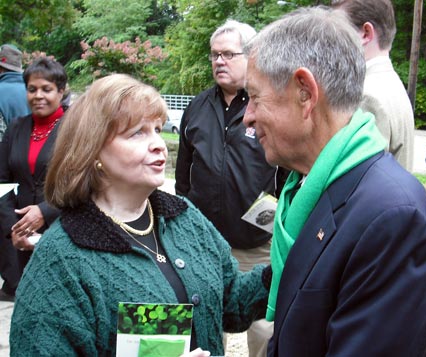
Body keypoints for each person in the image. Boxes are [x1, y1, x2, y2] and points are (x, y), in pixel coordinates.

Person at [9, 74, 270, 356]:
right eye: (137, 133)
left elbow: (233, 303)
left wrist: (291, 261)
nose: (159, 143)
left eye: (157, 129)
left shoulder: (183, 218)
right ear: (92, 149)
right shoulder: (62, 257)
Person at [243, 6, 426, 356]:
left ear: (305, 93)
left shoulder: (391, 220)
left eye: (254, 97)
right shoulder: (314, 190)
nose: (247, 117)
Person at [175, 19, 284, 357]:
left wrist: (266, 220)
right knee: (203, 324)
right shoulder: (197, 108)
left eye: (227, 54)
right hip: (204, 244)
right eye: (214, 55)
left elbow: (286, 173)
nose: (218, 61)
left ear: (250, 56)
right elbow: (181, 176)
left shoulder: (267, 105)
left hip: (257, 246)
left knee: (265, 331)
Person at [0, 57, 68, 290]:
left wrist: (45, 211)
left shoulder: (75, 128)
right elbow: (2, 182)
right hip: (21, 241)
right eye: (32, 89)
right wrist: (15, 230)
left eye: (46, 89)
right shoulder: (16, 127)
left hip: (64, 233)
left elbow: (86, 181)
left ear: (61, 91)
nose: (38, 95)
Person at [331, 0, 415, 171]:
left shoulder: (368, 96)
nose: (333, 41)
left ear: (365, 33)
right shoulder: (391, 84)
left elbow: (355, 179)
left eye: (340, 31)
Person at [0, 44, 30, 301]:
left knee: (6, 217)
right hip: (32, 162)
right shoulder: (30, 90)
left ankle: (12, 282)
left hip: (5, 164)